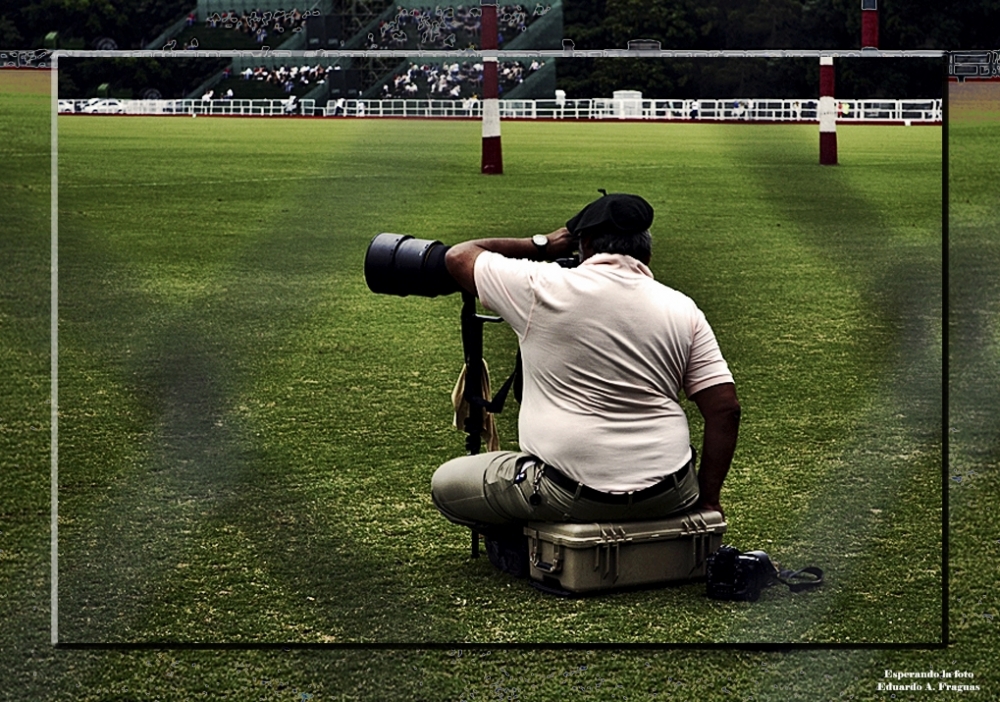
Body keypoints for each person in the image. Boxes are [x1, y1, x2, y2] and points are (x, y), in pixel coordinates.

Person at [431, 193, 741, 538]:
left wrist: (542, 245)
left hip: (567, 493)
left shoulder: (541, 286)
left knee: (446, 484)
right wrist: (708, 501)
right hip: (670, 495)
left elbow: (459, 257)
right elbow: (725, 409)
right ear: (647, 253)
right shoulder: (683, 308)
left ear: (586, 244)